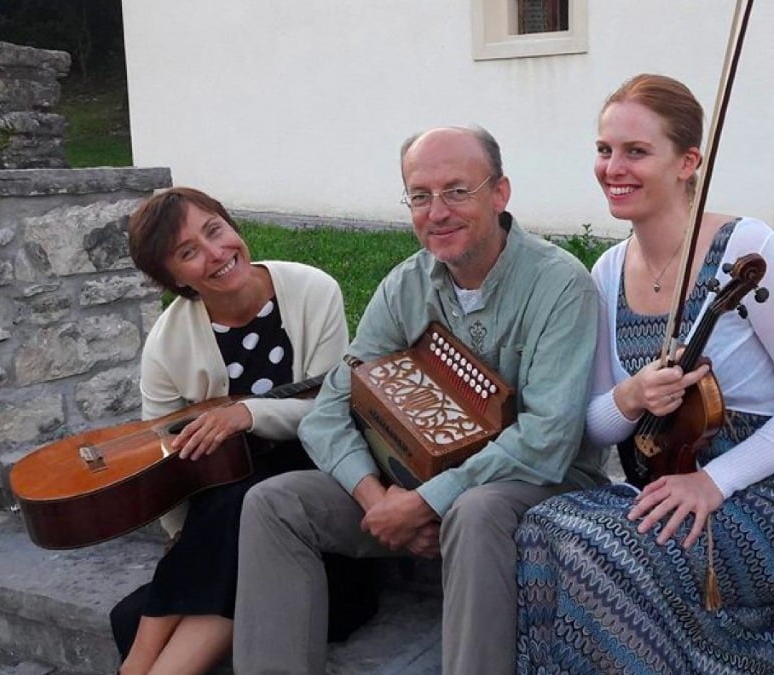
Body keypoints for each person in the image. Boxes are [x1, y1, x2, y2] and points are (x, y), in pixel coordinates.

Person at [232, 126, 607, 675]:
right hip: (410, 485)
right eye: (420, 195)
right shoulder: (405, 285)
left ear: (499, 193)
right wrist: (378, 501)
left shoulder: (558, 284)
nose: (438, 212)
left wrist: (426, 502)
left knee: (476, 511)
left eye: (458, 191)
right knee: (274, 503)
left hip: (541, 486)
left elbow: (548, 438)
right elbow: (332, 406)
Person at [515, 74, 774, 674]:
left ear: (687, 161)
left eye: (636, 151)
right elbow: (594, 426)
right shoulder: (609, 270)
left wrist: (714, 482)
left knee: (605, 548)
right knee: (541, 530)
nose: (612, 167)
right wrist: (630, 394)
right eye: (604, 149)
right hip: (668, 486)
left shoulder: (747, 247)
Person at [111, 187, 381, 674]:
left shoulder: (311, 291)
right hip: (222, 525)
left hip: (315, 504)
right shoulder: (167, 344)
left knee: (247, 501)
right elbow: (165, 458)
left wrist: (249, 414)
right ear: (173, 278)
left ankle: (138, 668)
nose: (216, 253)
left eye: (214, 230)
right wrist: (183, 543)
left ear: (231, 225)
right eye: (188, 252)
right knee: (131, 614)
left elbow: (333, 409)